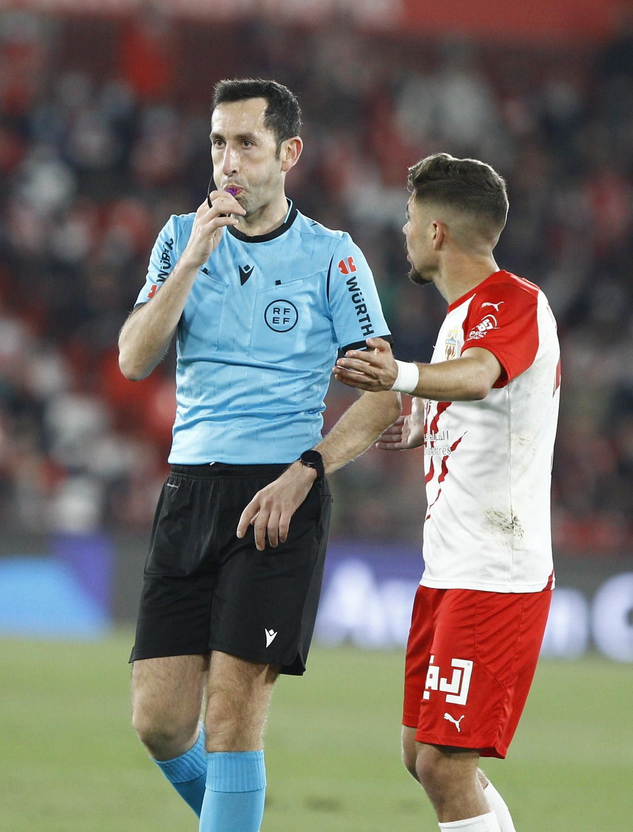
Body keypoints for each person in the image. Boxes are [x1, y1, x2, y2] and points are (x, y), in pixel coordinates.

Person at [120, 78, 402, 832]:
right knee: (159, 722)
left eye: (247, 143)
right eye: (218, 142)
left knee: (233, 717)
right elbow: (133, 359)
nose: (228, 160)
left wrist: (308, 469)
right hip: (190, 490)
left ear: (288, 153)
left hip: (278, 497)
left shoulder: (333, 258)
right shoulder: (180, 238)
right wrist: (190, 262)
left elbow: (383, 395)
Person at [336, 153, 561, 832]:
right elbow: (476, 400)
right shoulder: (461, 316)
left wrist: (402, 376)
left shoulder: (512, 301)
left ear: (437, 231)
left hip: (495, 573)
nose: (404, 230)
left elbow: (480, 376)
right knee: (421, 754)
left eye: (410, 217)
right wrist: (421, 426)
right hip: (450, 568)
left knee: (445, 764)